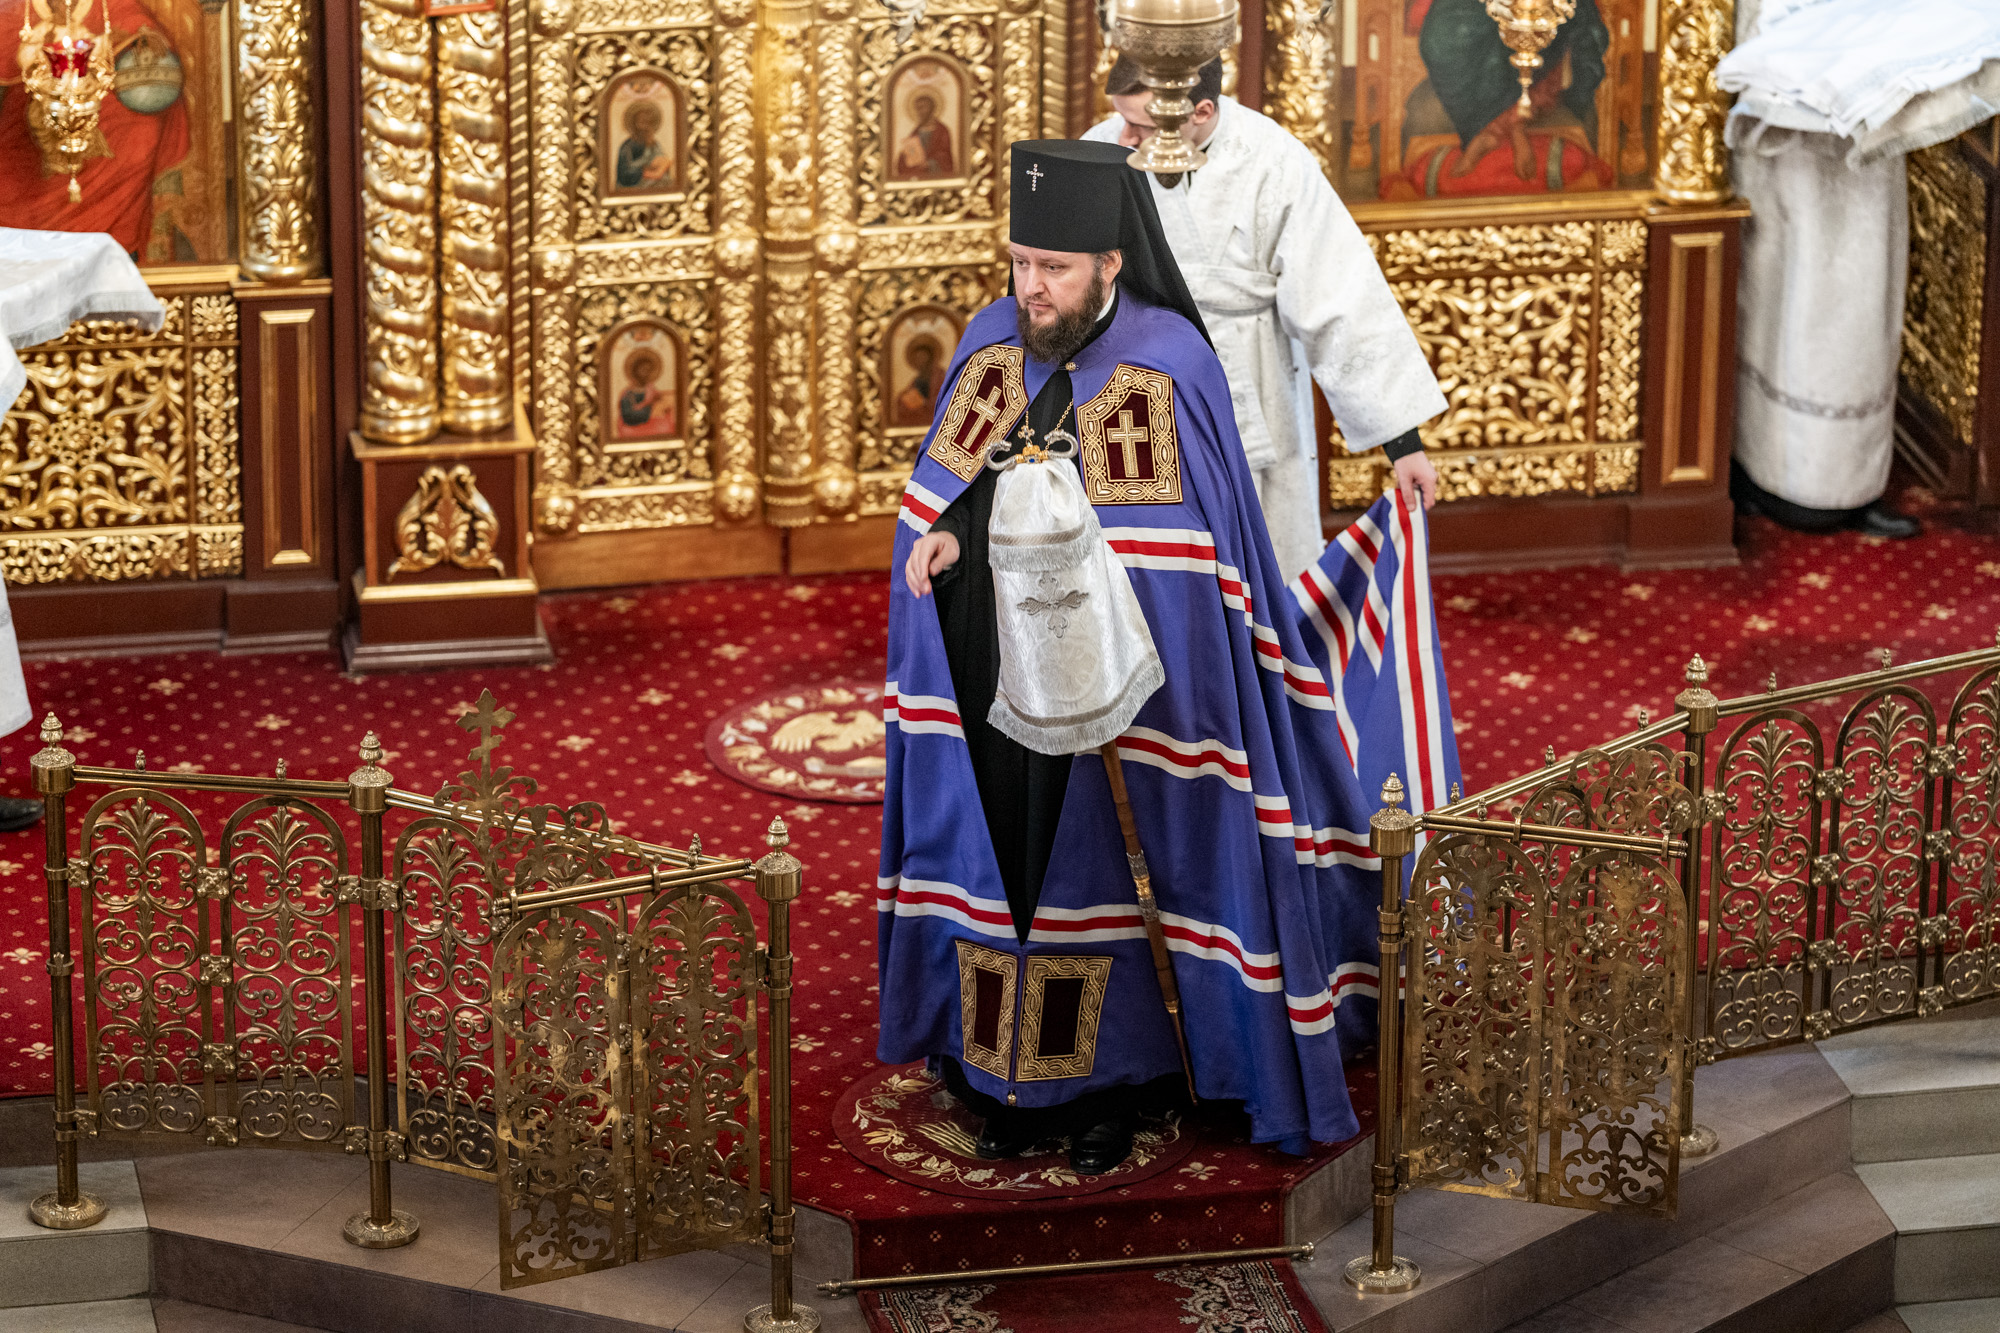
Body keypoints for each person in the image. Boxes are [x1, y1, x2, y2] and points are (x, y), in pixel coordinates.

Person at [878, 140, 1404, 1174]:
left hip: (1124, 694)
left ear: (1109, 264)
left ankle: (1114, 1084)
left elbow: (1184, 557)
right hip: (992, 673)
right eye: (1020, 263)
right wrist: (944, 537)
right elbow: (955, 485)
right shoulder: (991, 343)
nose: (1031, 288)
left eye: (1054, 269)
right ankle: (1001, 1078)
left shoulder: (1166, 363)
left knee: (1103, 872)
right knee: (1001, 868)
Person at [1084, 58, 1446, 580]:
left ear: (1200, 111)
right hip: (1128, 388)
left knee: (1260, 564)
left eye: (1140, 124)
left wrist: (1403, 445)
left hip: (1250, 379)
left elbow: (1340, 296)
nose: (1124, 136)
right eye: (1122, 118)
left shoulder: (1273, 159)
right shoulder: (1102, 148)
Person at [894, 90, 956, 180]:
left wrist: (929, 164)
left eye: (923, 108)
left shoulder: (942, 131)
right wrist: (905, 155)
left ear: (932, 108)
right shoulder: (916, 132)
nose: (920, 112)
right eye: (917, 109)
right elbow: (910, 154)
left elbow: (945, 156)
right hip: (919, 174)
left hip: (935, 175)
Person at [614, 99, 674, 191]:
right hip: (633, 186)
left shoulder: (654, 143)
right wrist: (647, 172)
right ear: (634, 124)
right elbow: (624, 174)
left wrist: (663, 165)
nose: (645, 127)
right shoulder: (627, 147)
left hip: (654, 181)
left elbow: (661, 159)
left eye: (649, 122)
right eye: (642, 122)